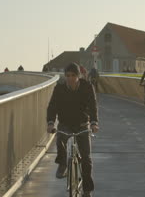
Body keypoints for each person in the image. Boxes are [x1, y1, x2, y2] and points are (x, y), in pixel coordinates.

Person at [46, 62, 99, 197]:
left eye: (73, 75)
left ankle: (87, 190)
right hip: (65, 123)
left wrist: (94, 123)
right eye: (68, 75)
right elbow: (52, 106)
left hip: (82, 124)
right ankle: (62, 164)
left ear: (79, 75)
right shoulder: (59, 88)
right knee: (60, 139)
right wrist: (51, 123)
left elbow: (93, 106)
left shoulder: (87, 87)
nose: (70, 78)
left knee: (86, 159)